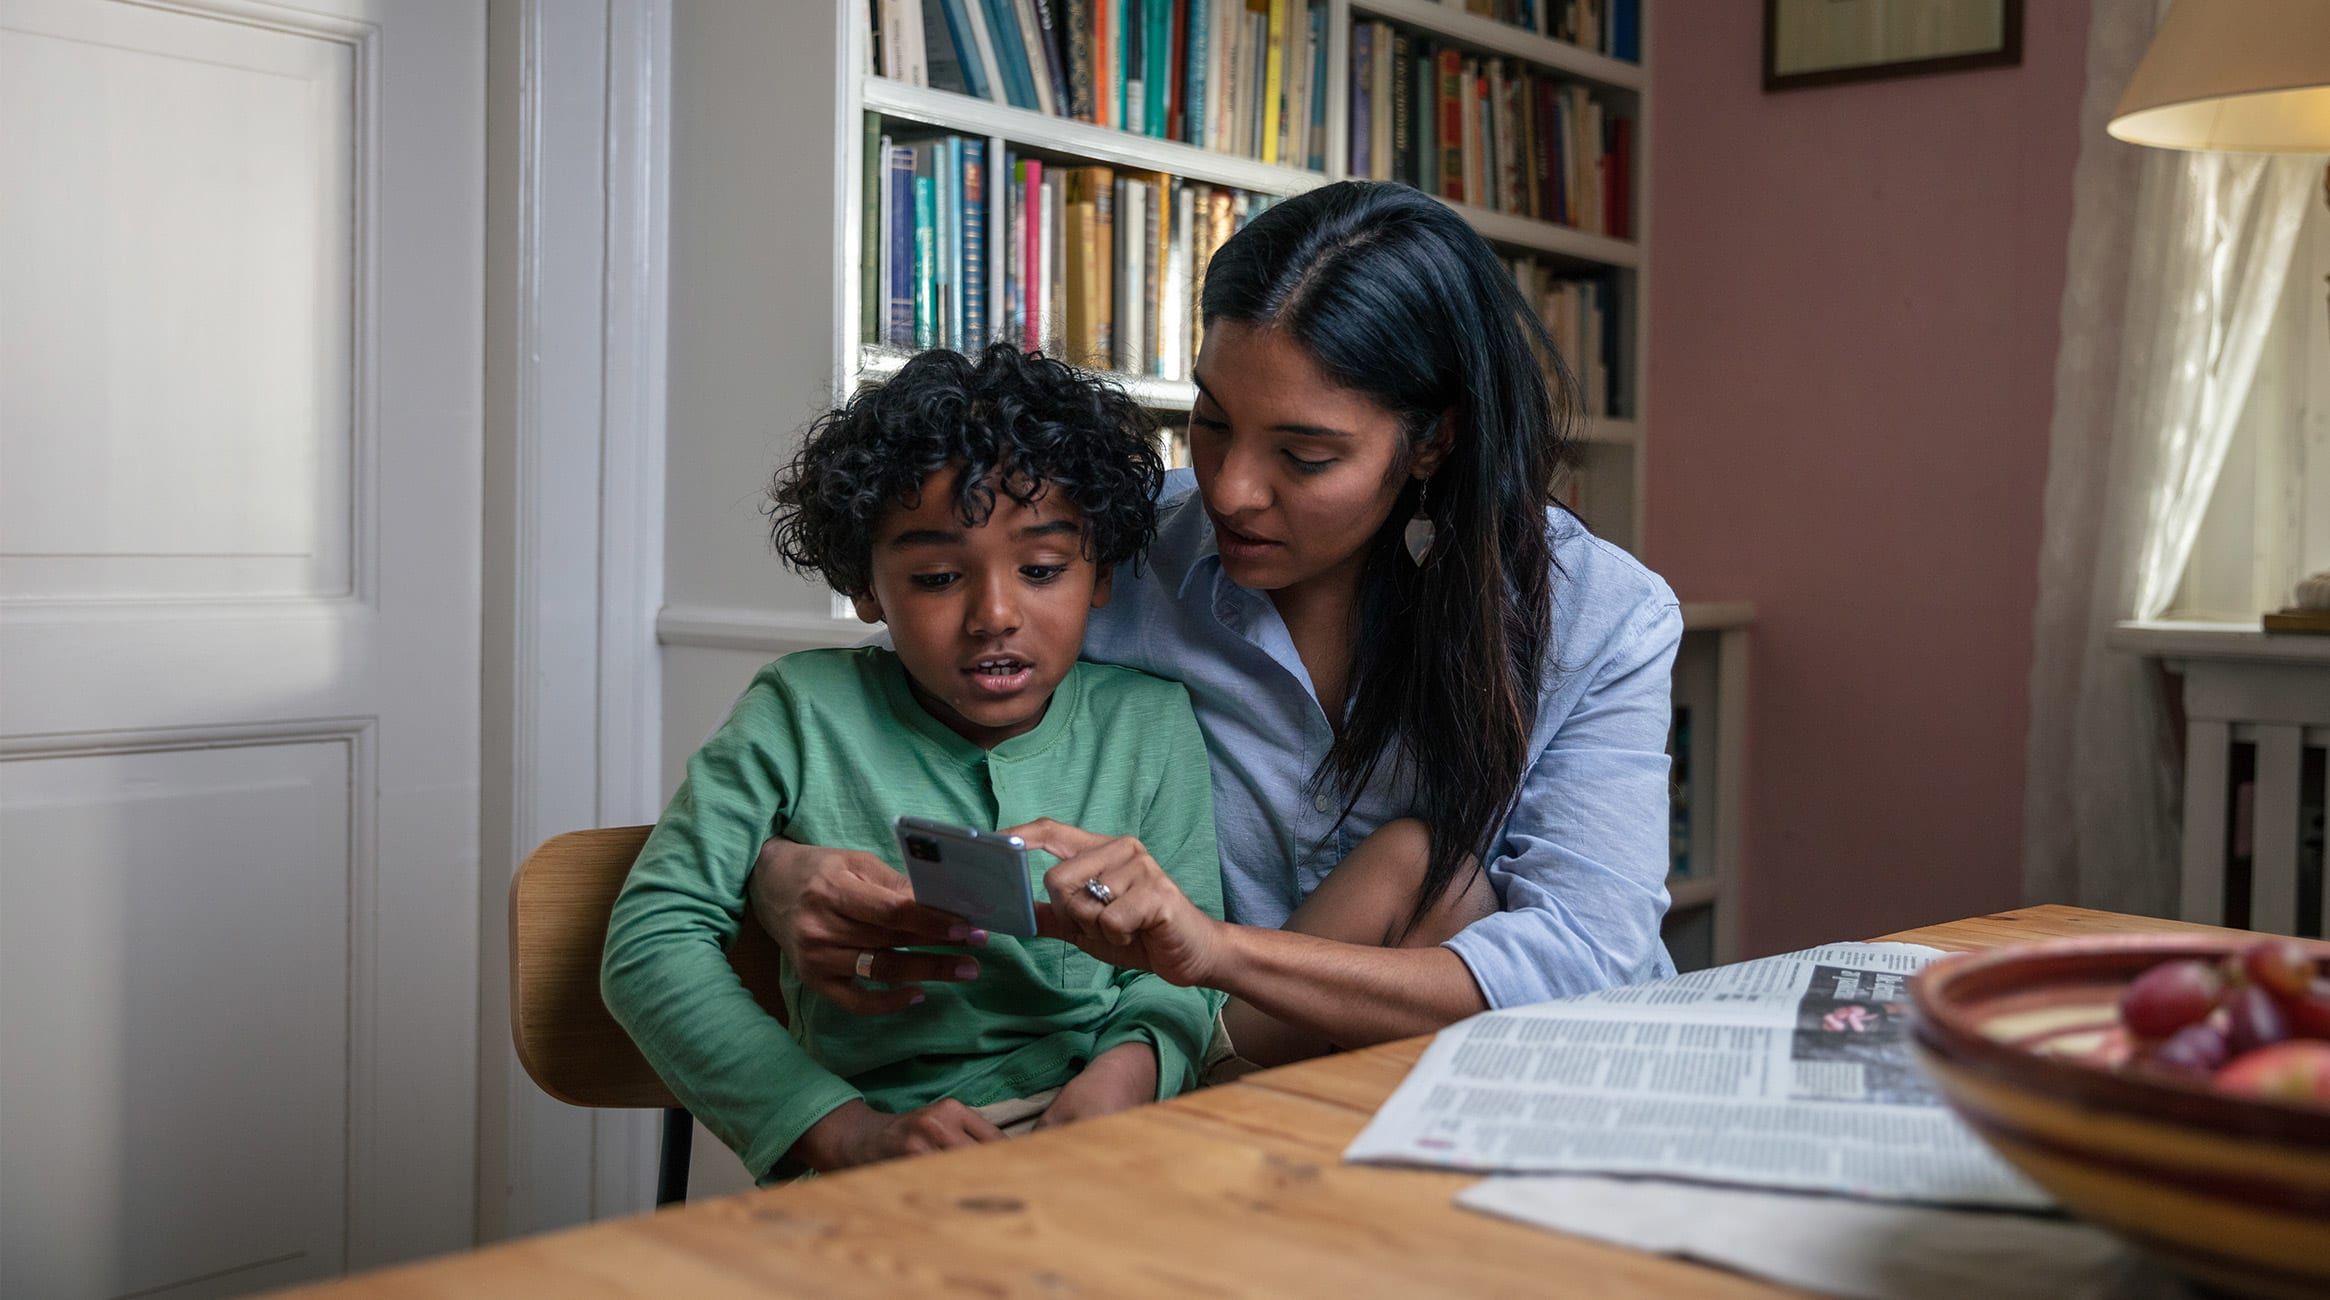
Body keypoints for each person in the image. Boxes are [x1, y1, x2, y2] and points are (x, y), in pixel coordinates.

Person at [752, 180, 1683, 1071]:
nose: (1232, 488)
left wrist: (1215, 951)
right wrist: (778, 872)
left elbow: (1581, 959)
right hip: (1211, 1077)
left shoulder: (1598, 618)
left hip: (1517, 1079)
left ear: (1433, 441)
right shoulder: (1108, 547)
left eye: (1305, 456)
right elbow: (889, 721)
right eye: (1211, 420)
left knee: (1445, 881)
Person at [600, 345, 1228, 1179]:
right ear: (866, 585)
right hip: (881, 1164)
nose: (995, 614)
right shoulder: (796, 713)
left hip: (1109, 1142)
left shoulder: (1150, 724)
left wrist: (1126, 1075)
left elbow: (1187, 963)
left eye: (1041, 570)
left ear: (1100, 571)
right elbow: (651, 939)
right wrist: (843, 1131)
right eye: (936, 576)